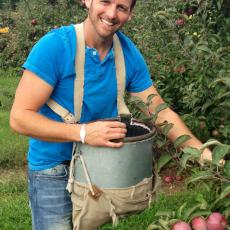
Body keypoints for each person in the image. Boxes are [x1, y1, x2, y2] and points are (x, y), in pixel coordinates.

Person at [10, 0, 212, 229]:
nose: (112, 13)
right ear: (87, 1)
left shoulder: (127, 53)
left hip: (98, 166)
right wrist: (84, 132)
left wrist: (203, 154)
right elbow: (19, 118)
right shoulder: (56, 46)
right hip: (53, 168)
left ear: (130, 14)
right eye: (105, 2)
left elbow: (158, 110)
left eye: (122, 7)